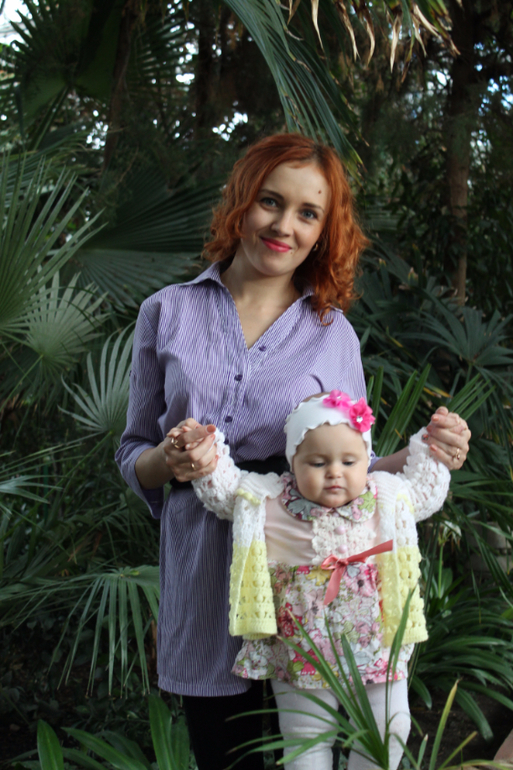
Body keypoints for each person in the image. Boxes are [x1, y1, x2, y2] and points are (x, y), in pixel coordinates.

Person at [115, 133, 470, 770]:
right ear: (242, 200)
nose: (285, 226)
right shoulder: (166, 312)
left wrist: (429, 452)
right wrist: (169, 460)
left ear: (323, 230)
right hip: (206, 584)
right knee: (225, 757)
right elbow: (132, 451)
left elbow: (354, 472)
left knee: (313, 756)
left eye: (308, 213)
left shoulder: (334, 334)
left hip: (313, 596)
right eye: (271, 201)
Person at [190, 391, 451, 770]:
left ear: (366, 460)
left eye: (349, 461)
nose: (334, 472)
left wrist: (432, 442)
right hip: (301, 653)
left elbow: (425, 488)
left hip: (376, 646)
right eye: (317, 462)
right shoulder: (270, 499)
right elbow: (226, 489)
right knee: (305, 743)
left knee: (391, 728)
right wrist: (204, 450)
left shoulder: (384, 494)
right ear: (293, 462)